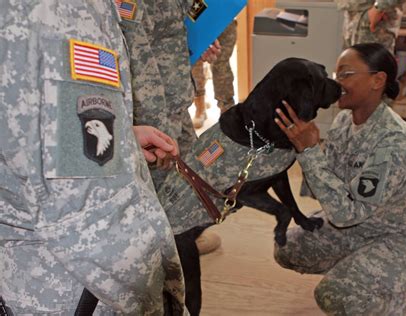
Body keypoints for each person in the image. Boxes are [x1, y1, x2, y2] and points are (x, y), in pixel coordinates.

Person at [0, 1, 187, 314]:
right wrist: (165, 294)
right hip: (67, 287)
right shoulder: (65, 8)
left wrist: (121, 140)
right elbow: (95, 217)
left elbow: (29, 122)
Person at [273, 43, 406, 315]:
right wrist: (305, 146)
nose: (337, 81)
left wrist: (309, 151)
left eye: (346, 74)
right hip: (360, 224)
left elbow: (345, 213)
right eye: (336, 73)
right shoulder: (344, 121)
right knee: (286, 247)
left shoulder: (394, 142)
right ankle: (363, 272)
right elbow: (325, 189)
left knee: (333, 295)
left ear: (378, 80)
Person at [118, 0, 222, 254]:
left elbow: (188, 12)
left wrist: (202, 38)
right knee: (161, 186)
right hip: (154, 115)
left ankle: (183, 238)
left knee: (190, 173)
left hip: (177, 104)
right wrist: (158, 126)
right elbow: (138, 58)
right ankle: (165, 251)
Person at [192, 20, 238, 128]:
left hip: (224, 18)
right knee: (196, 63)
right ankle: (200, 107)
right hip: (197, 19)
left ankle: (226, 110)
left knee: (221, 65)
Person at [335, 0, 406, 52]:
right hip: (352, 15)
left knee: (372, 66)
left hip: (375, 18)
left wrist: (379, 7)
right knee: (352, 65)